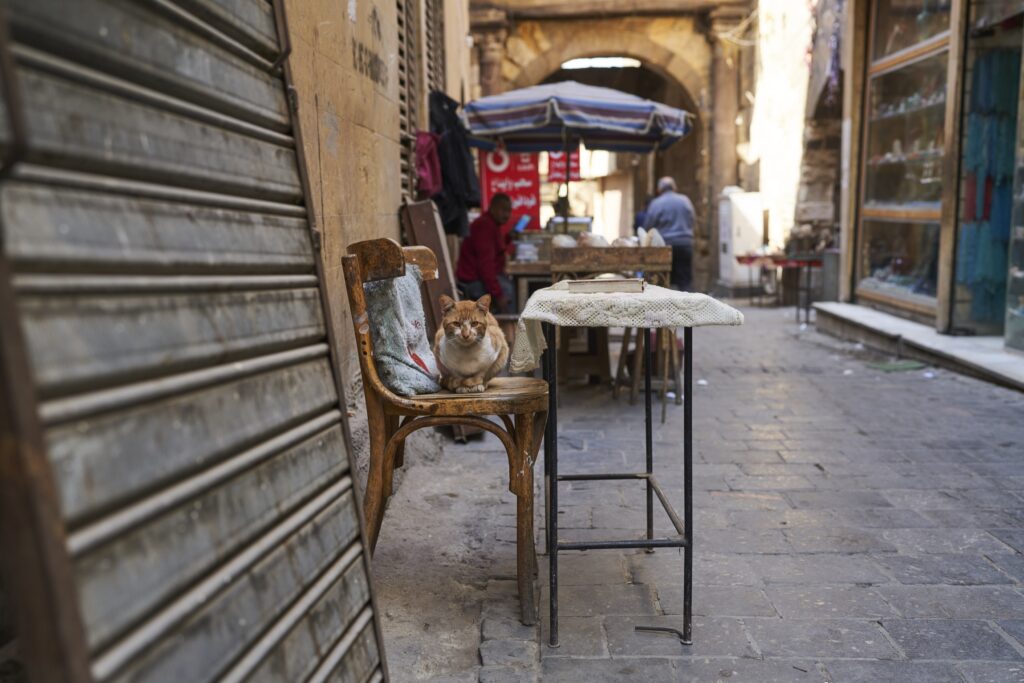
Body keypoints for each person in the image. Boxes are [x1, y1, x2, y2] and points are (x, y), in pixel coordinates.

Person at [456, 193, 515, 312]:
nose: (507, 215)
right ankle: (509, 328)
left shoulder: (492, 224)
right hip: (472, 283)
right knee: (507, 290)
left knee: (508, 284)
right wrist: (498, 295)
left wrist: (508, 238)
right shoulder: (484, 226)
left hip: (479, 278)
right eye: (503, 210)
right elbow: (486, 266)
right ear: (492, 208)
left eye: (509, 211)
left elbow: (495, 250)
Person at [644, 177, 695, 291]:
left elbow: (649, 227)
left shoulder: (656, 204)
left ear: (659, 190)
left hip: (665, 245)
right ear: (674, 188)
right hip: (685, 243)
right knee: (685, 280)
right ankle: (689, 307)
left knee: (664, 281)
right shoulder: (685, 200)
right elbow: (692, 220)